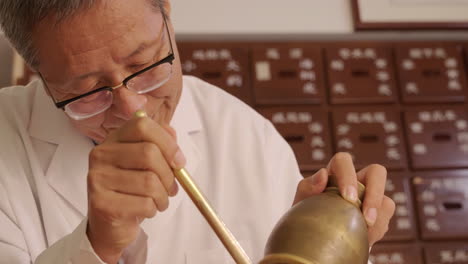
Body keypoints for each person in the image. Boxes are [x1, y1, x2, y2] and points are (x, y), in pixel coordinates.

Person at [0, 0, 395, 263]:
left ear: (167, 13)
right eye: (87, 89)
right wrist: (96, 244)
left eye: (144, 64)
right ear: (40, 74)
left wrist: (337, 242)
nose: (132, 108)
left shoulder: (248, 137)